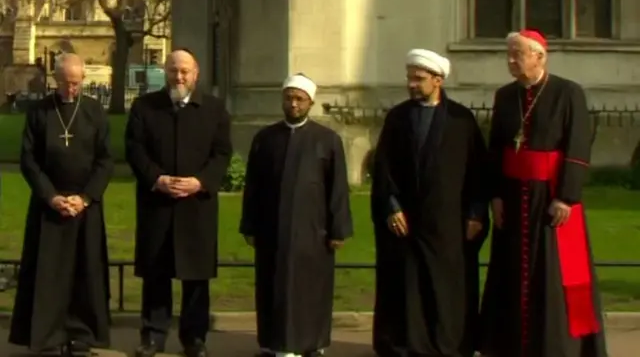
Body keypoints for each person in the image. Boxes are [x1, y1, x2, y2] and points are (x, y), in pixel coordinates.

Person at [479, 29, 608, 357]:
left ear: (540, 56)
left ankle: (558, 346)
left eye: (516, 54)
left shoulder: (568, 93)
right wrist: (494, 195)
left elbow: (578, 147)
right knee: (511, 272)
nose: (510, 60)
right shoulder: (505, 96)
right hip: (512, 195)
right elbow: (496, 149)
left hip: (550, 197)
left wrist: (567, 196)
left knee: (557, 273)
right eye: (508, 54)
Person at [370, 49, 489, 357]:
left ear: (438, 80)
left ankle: (448, 344)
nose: (411, 84)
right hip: (407, 220)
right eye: (409, 78)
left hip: (448, 222)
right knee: (407, 285)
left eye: (418, 79)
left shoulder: (461, 120)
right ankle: (406, 344)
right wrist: (391, 207)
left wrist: (476, 213)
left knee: (446, 286)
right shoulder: (398, 117)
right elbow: (383, 169)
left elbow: (477, 172)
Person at [125, 48, 232, 357]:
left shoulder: (213, 110)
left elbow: (222, 154)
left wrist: (201, 181)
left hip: (196, 205)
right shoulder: (145, 108)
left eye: (185, 71)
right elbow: (134, 149)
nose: (179, 76)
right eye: (173, 70)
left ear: (195, 74)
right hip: (157, 202)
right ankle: (153, 336)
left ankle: (194, 338)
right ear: (165, 73)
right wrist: (157, 179)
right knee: (156, 273)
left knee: (196, 276)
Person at [240, 73, 354, 357]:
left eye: (299, 99)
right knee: (273, 287)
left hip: (312, 232)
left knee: (310, 290)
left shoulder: (327, 140)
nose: (293, 104)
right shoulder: (265, 138)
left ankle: (312, 343)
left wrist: (338, 229)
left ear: (310, 102)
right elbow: (252, 185)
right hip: (272, 231)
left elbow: (338, 187)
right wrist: (250, 225)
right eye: (288, 98)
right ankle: (274, 343)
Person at [9, 53, 113, 356]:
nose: (72, 89)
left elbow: (105, 159)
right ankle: (48, 335)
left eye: (77, 83)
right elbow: (28, 159)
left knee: (86, 270)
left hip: (85, 205)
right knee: (48, 272)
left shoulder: (94, 111)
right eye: (67, 83)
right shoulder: (39, 111)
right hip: (49, 205)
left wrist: (85, 197)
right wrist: (52, 197)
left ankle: (83, 333)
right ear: (55, 80)